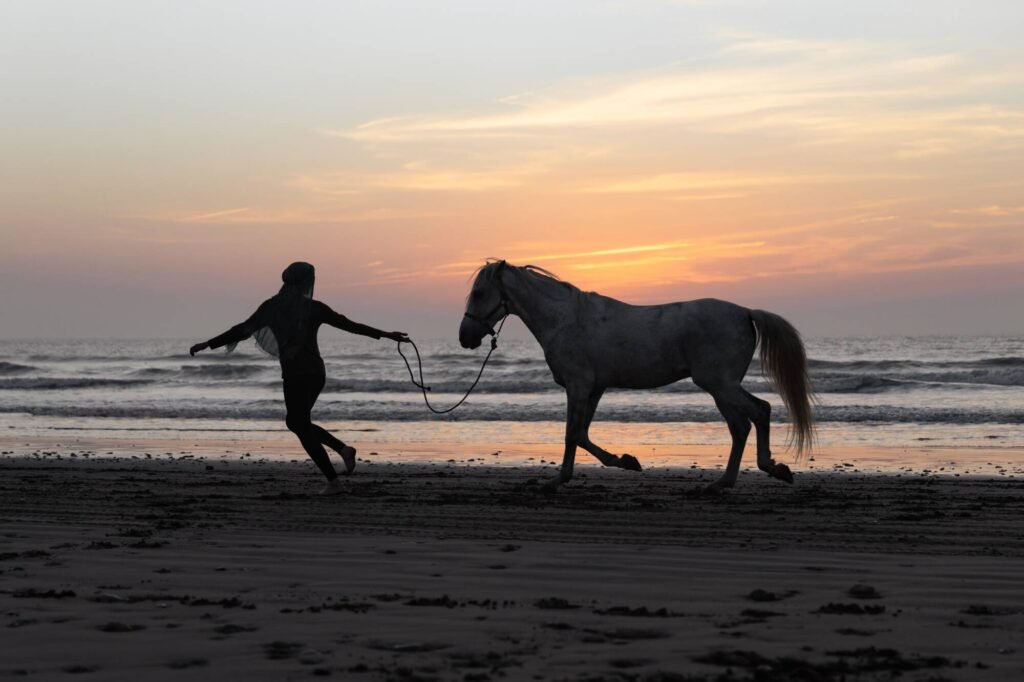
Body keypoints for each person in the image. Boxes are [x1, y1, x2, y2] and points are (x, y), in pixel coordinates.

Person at [190, 262, 408, 495]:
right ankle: (343, 452)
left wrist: (209, 343)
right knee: (297, 422)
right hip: (316, 373)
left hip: (296, 373)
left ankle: (335, 480)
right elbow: (349, 325)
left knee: (298, 424)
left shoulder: (272, 307)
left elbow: (242, 330)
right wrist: (385, 334)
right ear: (306, 283)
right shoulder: (313, 308)